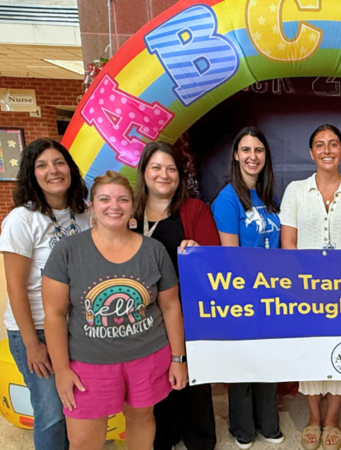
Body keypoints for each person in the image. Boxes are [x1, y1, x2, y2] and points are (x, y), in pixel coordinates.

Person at [42, 171, 188, 449]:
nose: (114, 206)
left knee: (142, 417)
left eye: (122, 199)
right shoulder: (68, 251)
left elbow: (171, 306)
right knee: (84, 439)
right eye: (105, 199)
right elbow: (54, 314)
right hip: (89, 362)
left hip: (147, 356)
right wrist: (61, 369)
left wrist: (178, 358)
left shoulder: (153, 251)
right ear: (92, 206)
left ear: (132, 206)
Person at [280, 124, 341, 450]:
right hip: (306, 290)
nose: (327, 150)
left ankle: (333, 417)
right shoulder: (295, 190)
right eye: (319, 145)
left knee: (340, 350)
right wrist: (299, 285)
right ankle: (313, 418)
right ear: (311, 153)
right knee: (311, 351)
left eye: (333, 144)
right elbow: (288, 243)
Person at [0, 138, 89, 449]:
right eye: (42, 165)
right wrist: (30, 343)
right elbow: (15, 285)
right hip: (35, 327)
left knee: (74, 402)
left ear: (71, 169)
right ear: (31, 175)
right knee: (51, 412)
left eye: (59, 162)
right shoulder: (21, 220)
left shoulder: (85, 213)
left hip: (74, 323)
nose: (53, 170)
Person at [131, 141, 221, 450]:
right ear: (144, 172)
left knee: (193, 382)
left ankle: (199, 439)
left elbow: (215, 262)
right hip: (143, 316)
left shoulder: (195, 210)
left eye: (171, 169)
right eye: (156, 167)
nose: (164, 175)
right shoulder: (129, 212)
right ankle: (164, 436)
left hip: (187, 313)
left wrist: (200, 253)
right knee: (155, 380)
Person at [211, 127, 283, 449]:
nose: (252, 156)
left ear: (265, 156)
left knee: (268, 360)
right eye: (246, 150)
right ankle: (242, 428)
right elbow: (231, 257)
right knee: (243, 362)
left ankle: (269, 423)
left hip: (273, 295)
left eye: (258, 150)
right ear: (236, 156)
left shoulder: (269, 196)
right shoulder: (227, 200)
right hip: (243, 294)